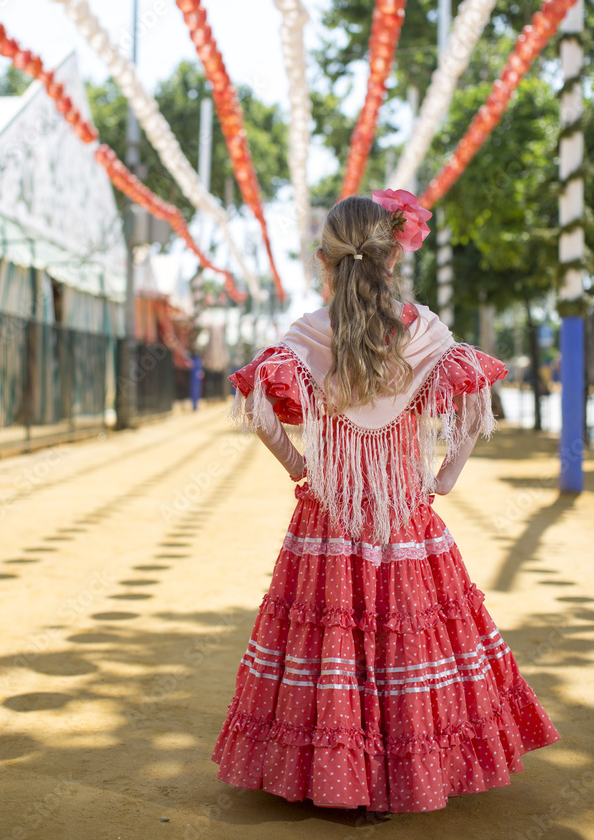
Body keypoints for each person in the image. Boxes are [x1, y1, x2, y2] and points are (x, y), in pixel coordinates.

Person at [211, 191, 560, 816]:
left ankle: (339, 779)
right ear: (394, 255)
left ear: (324, 259)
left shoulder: (307, 334)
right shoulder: (423, 329)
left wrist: (301, 466)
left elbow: (258, 411)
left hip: (330, 516)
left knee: (335, 644)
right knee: (410, 641)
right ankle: (407, 775)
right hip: (403, 514)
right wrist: (444, 475)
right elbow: (475, 405)